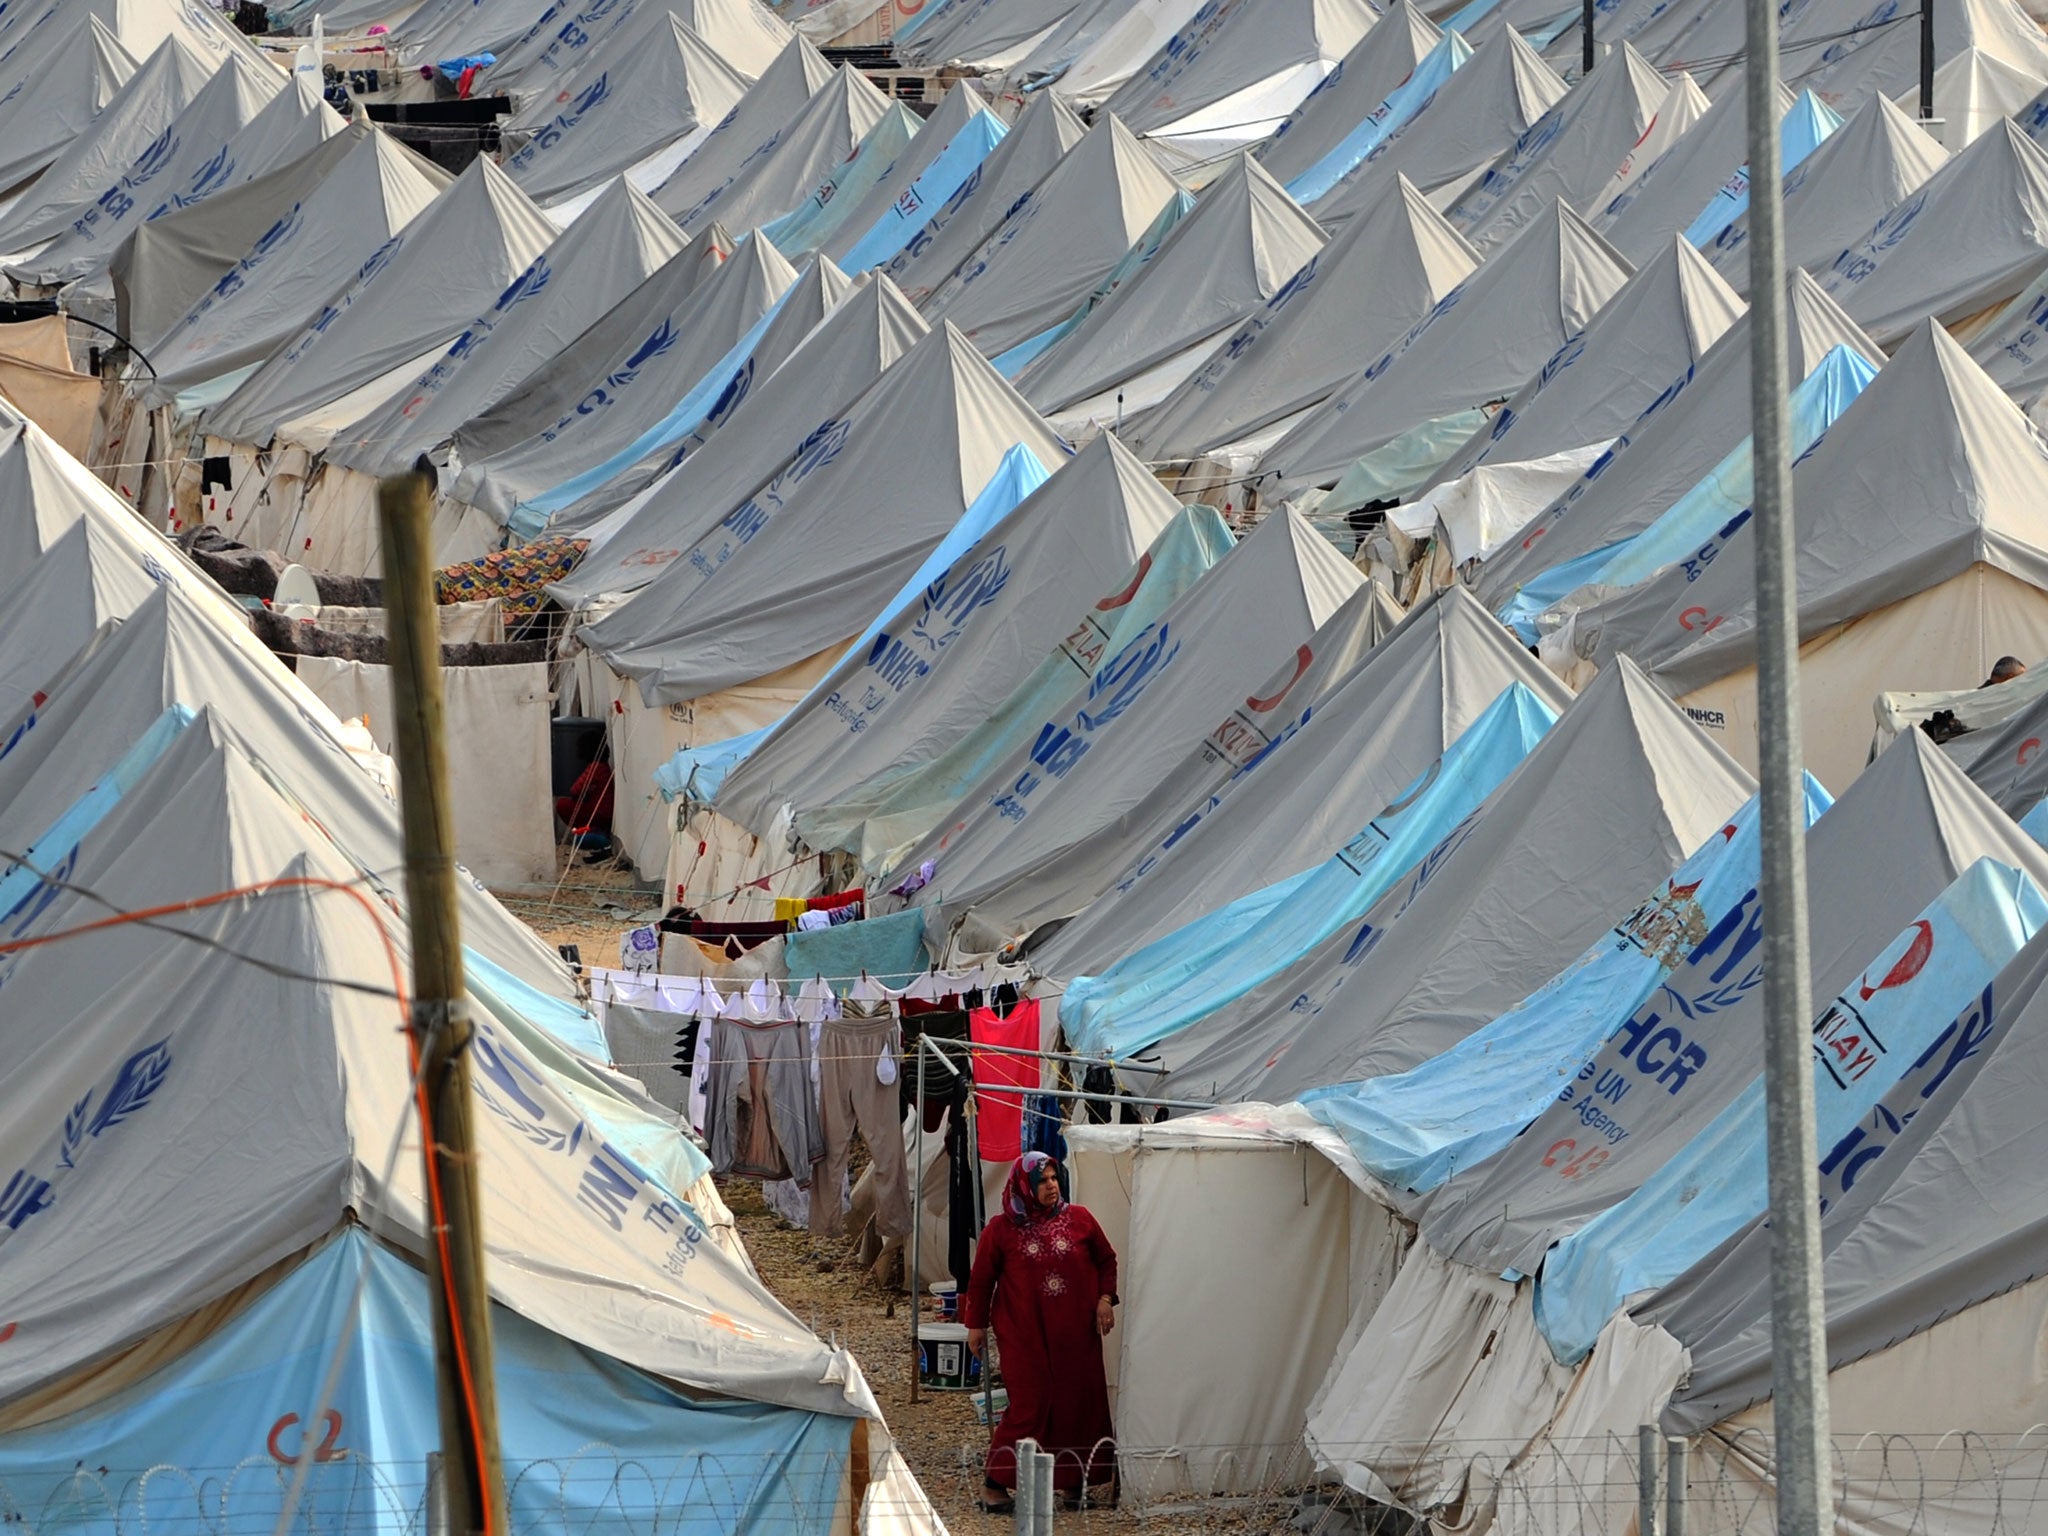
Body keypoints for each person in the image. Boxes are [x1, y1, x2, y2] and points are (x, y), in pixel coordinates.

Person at [962, 1151, 1118, 1514]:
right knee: (1030, 1405)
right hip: (1023, 1334)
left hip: (1075, 1334)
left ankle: (1072, 1486)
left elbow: (1106, 1258)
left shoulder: (1079, 1219)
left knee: (1076, 1402)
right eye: (1042, 1180)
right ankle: (994, 1486)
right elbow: (981, 1281)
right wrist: (975, 1326)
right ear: (1024, 1186)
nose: (1051, 1185)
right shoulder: (1000, 1230)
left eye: (1053, 1178)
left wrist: (1105, 1299)